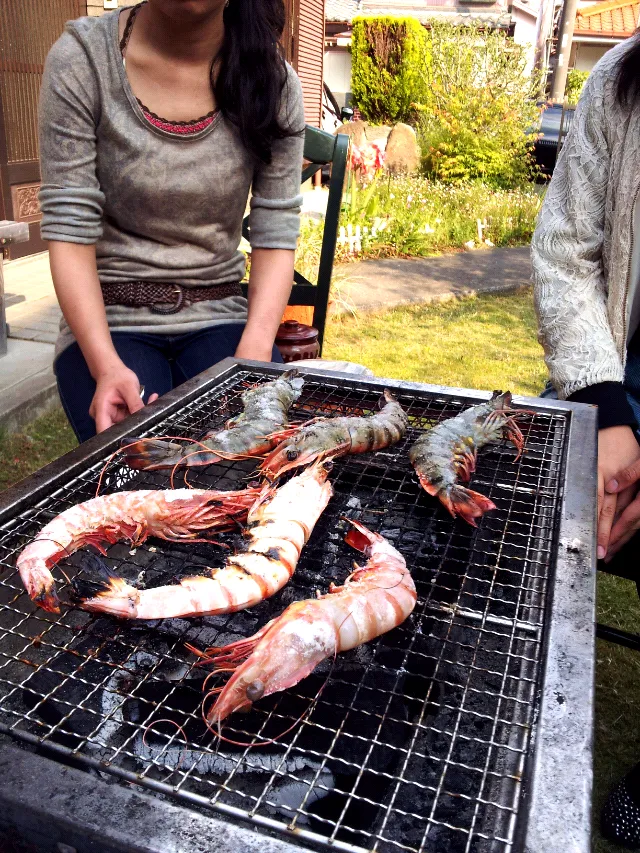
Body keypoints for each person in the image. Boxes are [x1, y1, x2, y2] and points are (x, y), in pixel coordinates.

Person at [39, 0, 305, 442]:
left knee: (245, 461)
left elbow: (276, 228)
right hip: (111, 323)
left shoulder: (273, 81)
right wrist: (106, 366)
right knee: (141, 467)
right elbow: (70, 230)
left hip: (221, 314)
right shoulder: (82, 61)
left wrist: (255, 355)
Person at [531, 37, 640, 848]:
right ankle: (514, 709)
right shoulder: (622, 80)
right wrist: (605, 411)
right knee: (530, 505)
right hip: (612, 375)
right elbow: (564, 253)